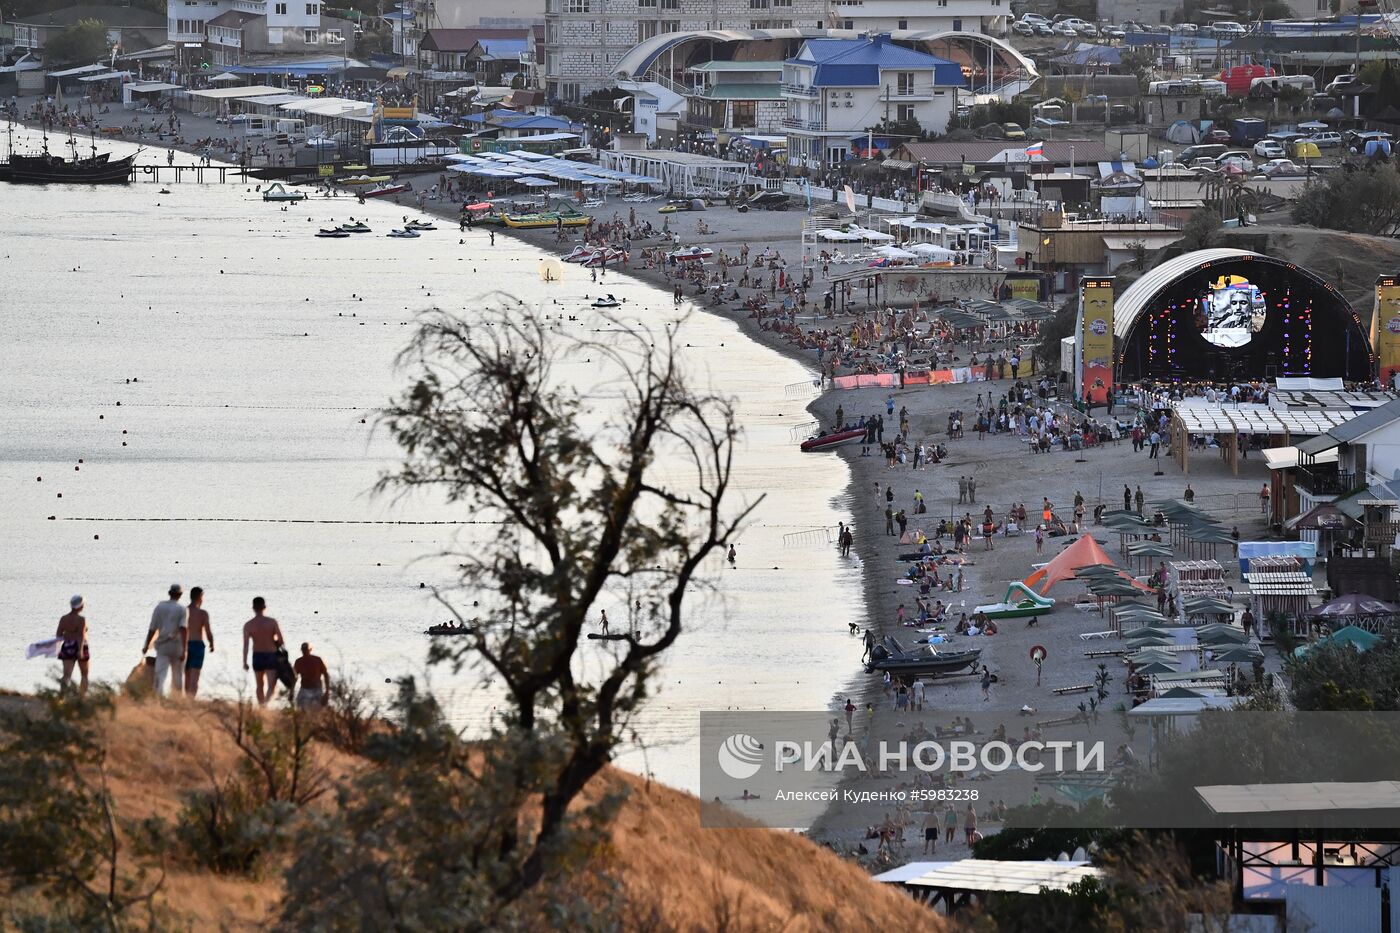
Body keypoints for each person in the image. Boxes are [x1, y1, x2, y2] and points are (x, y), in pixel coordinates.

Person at [142, 584, 188, 698]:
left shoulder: (159, 607)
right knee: (177, 675)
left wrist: (146, 645)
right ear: (180, 595)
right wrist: (184, 650)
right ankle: (177, 699)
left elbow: (152, 629)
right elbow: (183, 629)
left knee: (160, 674)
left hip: (162, 646)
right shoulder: (182, 609)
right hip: (177, 646)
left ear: (169, 593)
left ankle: (158, 698)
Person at [242, 596, 286, 706]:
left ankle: (262, 706)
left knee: (259, 685)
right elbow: (281, 641)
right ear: (264, 607)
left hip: (257, 655)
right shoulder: (272, 622)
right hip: (271, 655)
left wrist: (244, 662)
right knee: (272, 685)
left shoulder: (248, 625)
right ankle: (265, 704)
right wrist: (273, 641)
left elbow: (246, 645)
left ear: (253, 608)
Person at [56, 594, 90, 696]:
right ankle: (82, 697)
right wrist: (79, 651)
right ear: (80, 606)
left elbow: (58, 635)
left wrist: (68, 636)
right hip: (81, 647)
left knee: (66, 675)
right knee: (84, 675)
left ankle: (62, 696)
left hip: (67, 646)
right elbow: (81, 636)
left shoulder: (63, 618)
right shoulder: (81, 619)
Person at [184, 586, 214, 697]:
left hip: (184, 645)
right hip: (197, 645)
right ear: (200, 597)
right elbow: (208, 631)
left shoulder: (184, 611)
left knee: (186, 676)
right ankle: (191, 700)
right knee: (195, 676)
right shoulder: (202, 613)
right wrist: (212, 644)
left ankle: (186, 699)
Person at [292, 642, 330, 710]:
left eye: (306, 650)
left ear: (310, 650)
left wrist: (327, 692)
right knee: (300, 708)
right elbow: (294, 677)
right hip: (304, 688)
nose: (304, 651)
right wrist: (291, 691)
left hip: (317, 689)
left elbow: (326, 674)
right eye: (303, 650)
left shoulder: (317, 660)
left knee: (318, 709)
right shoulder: (298, 661)